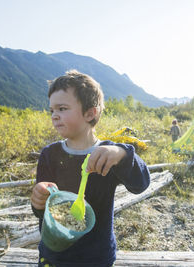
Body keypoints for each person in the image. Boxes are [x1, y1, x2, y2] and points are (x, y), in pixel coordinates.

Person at [30, 70, 150, 267]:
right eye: (52, 110)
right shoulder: (49, 155)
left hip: (96, 257)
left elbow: (141, 184)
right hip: (55, 255)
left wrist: (121, 154)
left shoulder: (109, 154)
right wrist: (39, 199)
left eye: (62, 108)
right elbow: (42, 213)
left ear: (90, 113)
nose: (54, 116)